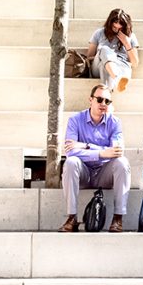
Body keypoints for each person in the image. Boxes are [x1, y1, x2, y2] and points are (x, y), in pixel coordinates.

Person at [59, 84, 130, 232]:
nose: (103, 104)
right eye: (99, 100)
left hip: (105, 173)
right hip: (83, 173)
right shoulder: (75, 120)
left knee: (122, 163)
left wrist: (86, 146)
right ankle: (72, 217)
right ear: (90, 100)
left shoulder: (114, 122)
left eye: (107, 101)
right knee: (71, 162)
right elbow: (70, 152)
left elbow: (116, 151)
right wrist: (101, 153)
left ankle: (118, 218)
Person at [87, 8, 138, 93]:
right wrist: (107, 57)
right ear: (109, 23)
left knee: (105, 68)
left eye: (120, 28)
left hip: (121, 67)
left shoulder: (131, 36)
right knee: (104, 50)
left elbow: (135, 63)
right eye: (114, 27)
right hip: (98, 66)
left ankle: (107, 96)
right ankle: (117, 79)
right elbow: (89, 57)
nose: (117, 30)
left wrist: (126, 43)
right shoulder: (99, 33)